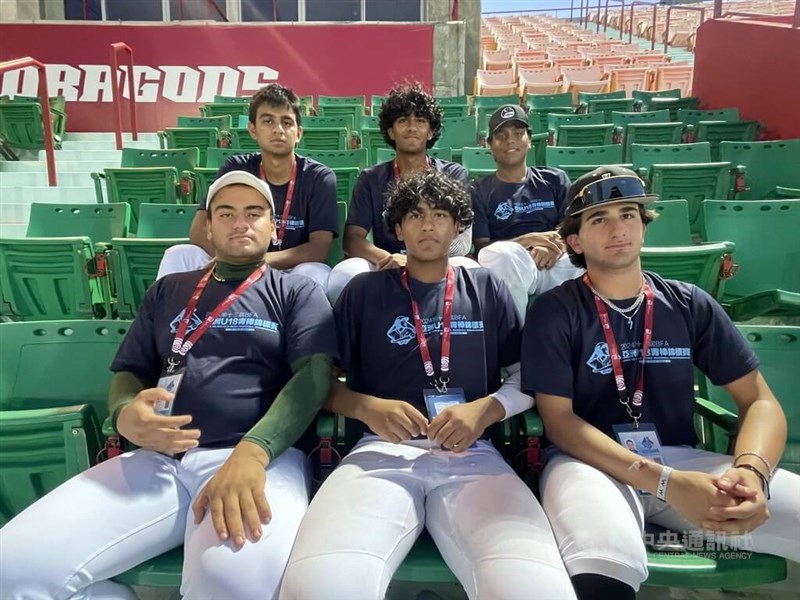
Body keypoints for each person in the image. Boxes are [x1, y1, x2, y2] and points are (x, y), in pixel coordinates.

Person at [0, 171, 338, 600]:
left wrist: (253, 453)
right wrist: (125, 413)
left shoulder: (296, 291)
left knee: (231, 584)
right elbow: (130, 371)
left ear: (273, 229)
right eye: (226, 213)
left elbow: (312, 377)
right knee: (12, 567)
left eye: (254, 214)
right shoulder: (168, 290)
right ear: (208, 228)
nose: (240, 223)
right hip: (159, 461)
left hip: (258, 460)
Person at [280, 170, 575, 600]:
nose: (428, 224)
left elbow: (525, 378)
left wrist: (485, 410)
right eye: (415, 215)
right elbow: (317, 382)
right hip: (380, 453)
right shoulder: (364, 291)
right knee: (318, 587)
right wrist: (364, 407)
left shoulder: (486, 285)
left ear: (458, 227)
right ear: (397, 228)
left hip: (472, 454)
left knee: (536, 590)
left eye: (440, 215)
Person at [521, 166, 800, 599]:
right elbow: (559, 422)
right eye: (600, 219)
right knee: (604, 561)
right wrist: (666, 482)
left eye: (628, 214)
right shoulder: (555, 311)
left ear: (644, 225)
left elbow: (759, 400)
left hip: (684, 461)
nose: (618, 228)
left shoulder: (690, 303)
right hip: (590, 464)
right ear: (575, 241)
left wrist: (750, 472)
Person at [156, 83, 338, 291]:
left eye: (286, 122)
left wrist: (259, 261)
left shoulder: (319, 177)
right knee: (179, 254)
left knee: (314, 273)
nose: (278, 130)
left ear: (298, 133)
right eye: (268, 121)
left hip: (289, 269)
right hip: (233, 262)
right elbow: (199, 230)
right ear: (253, 129)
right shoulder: (235, 168)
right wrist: (230, 260)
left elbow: (318, 249)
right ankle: (170, 320)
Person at [327, 83, 476, 304]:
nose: (412, 127)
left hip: (440, 260)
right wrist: (387, 258)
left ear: (431, 131)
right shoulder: (371, 178)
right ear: (390, 131)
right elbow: (353, 239)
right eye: (403, 121)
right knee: (343, 275)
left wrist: (416, 260)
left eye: (421, 121)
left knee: (471, 269)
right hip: (388, 261)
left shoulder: (453, 174)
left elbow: (463, 239)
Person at [471, 104, 584, 320]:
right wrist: (528, 241)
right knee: (503, 256)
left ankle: (580, 338)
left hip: (553, 260)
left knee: (586, 256)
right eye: (501, 136)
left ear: (529, 141)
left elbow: (571, 226)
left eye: (518, 133)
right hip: (510, 266)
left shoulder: (555, 179)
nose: (510, 140)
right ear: (490, 146)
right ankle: (512, 341)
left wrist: (554, 246)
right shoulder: (479, 190)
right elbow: (484, 248)